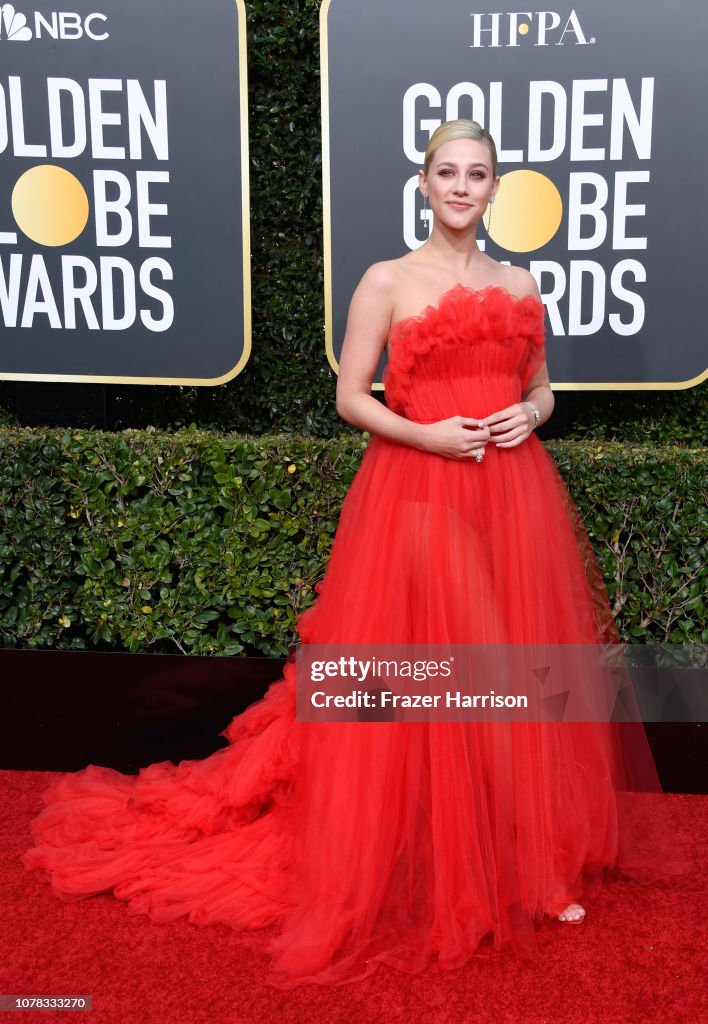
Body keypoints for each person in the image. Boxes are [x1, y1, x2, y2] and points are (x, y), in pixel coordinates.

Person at [23, 120, 688, 988]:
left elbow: (540, 384)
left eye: (477, 174)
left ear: (496, 188)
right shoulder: (386, 280)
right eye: (446, 172)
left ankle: (526, 863)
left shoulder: (522, 281)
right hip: (420, 491)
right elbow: (349, 397)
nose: (460, 187)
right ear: (422, 182)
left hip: (514, 497)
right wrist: (427, 434)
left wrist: (534, 414)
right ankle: (485, 870)